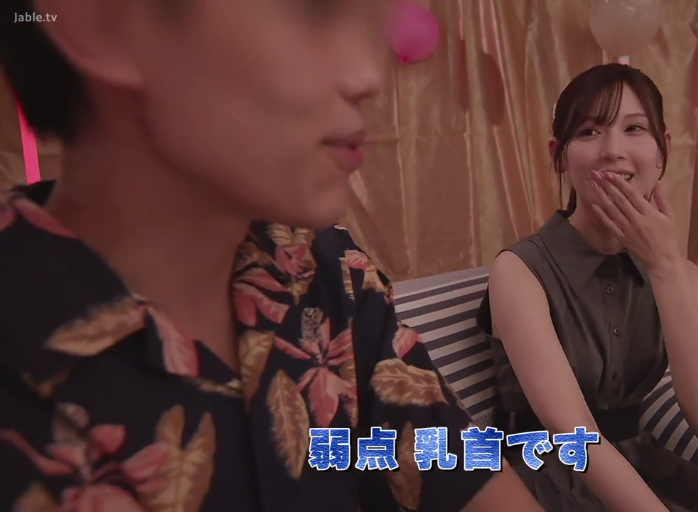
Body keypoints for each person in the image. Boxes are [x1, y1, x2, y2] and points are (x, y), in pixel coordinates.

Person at [0, 0, 542, 510]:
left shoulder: (328, 278)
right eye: (313, 9)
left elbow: (465, 475)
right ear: (102, 22)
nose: (368, 77)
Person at [476, 64, 698, 512]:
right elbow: (573, 433)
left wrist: (667, 266)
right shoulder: (519, 270)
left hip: (641, 464)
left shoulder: (679, 272)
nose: (612, 151)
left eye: (634, 129)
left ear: (662, 151)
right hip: (549, 472)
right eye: (589, 132)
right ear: (560, 155)